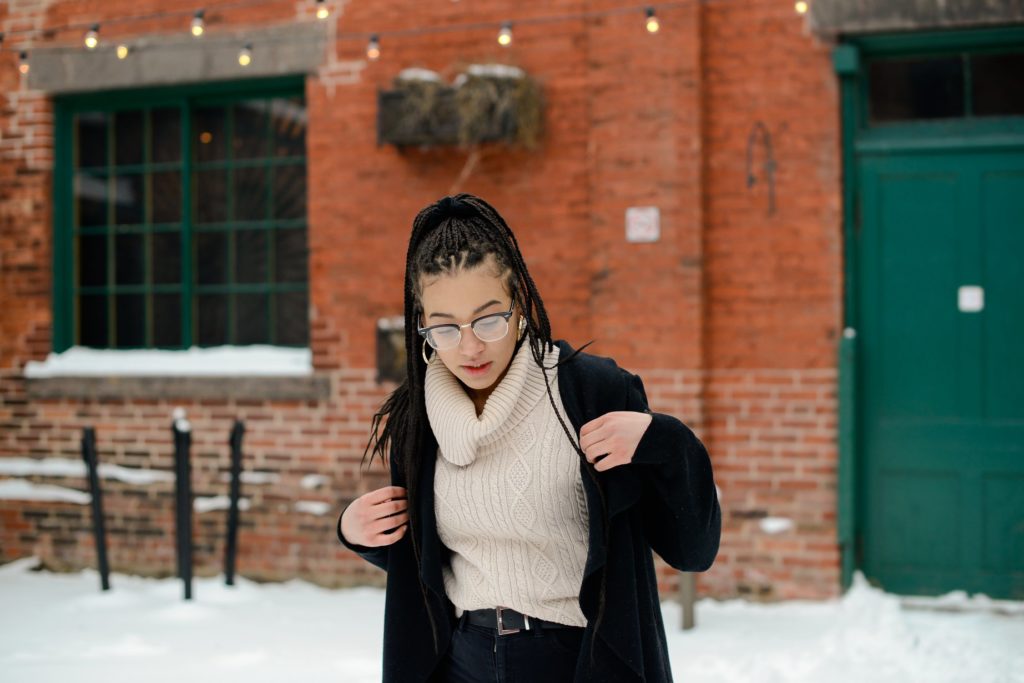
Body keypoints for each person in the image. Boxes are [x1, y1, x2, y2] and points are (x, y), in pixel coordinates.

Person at [337, 193, 721, 683]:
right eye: (445, 328)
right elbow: (429, 570)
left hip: (577, 662)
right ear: (422, 326)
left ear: (518, 302)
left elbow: (693, 549)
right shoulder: (420, 418)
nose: (470, 346)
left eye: (488, 319)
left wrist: (663, 442)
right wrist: (358, 532)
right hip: (460, 662)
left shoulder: (590, 392)